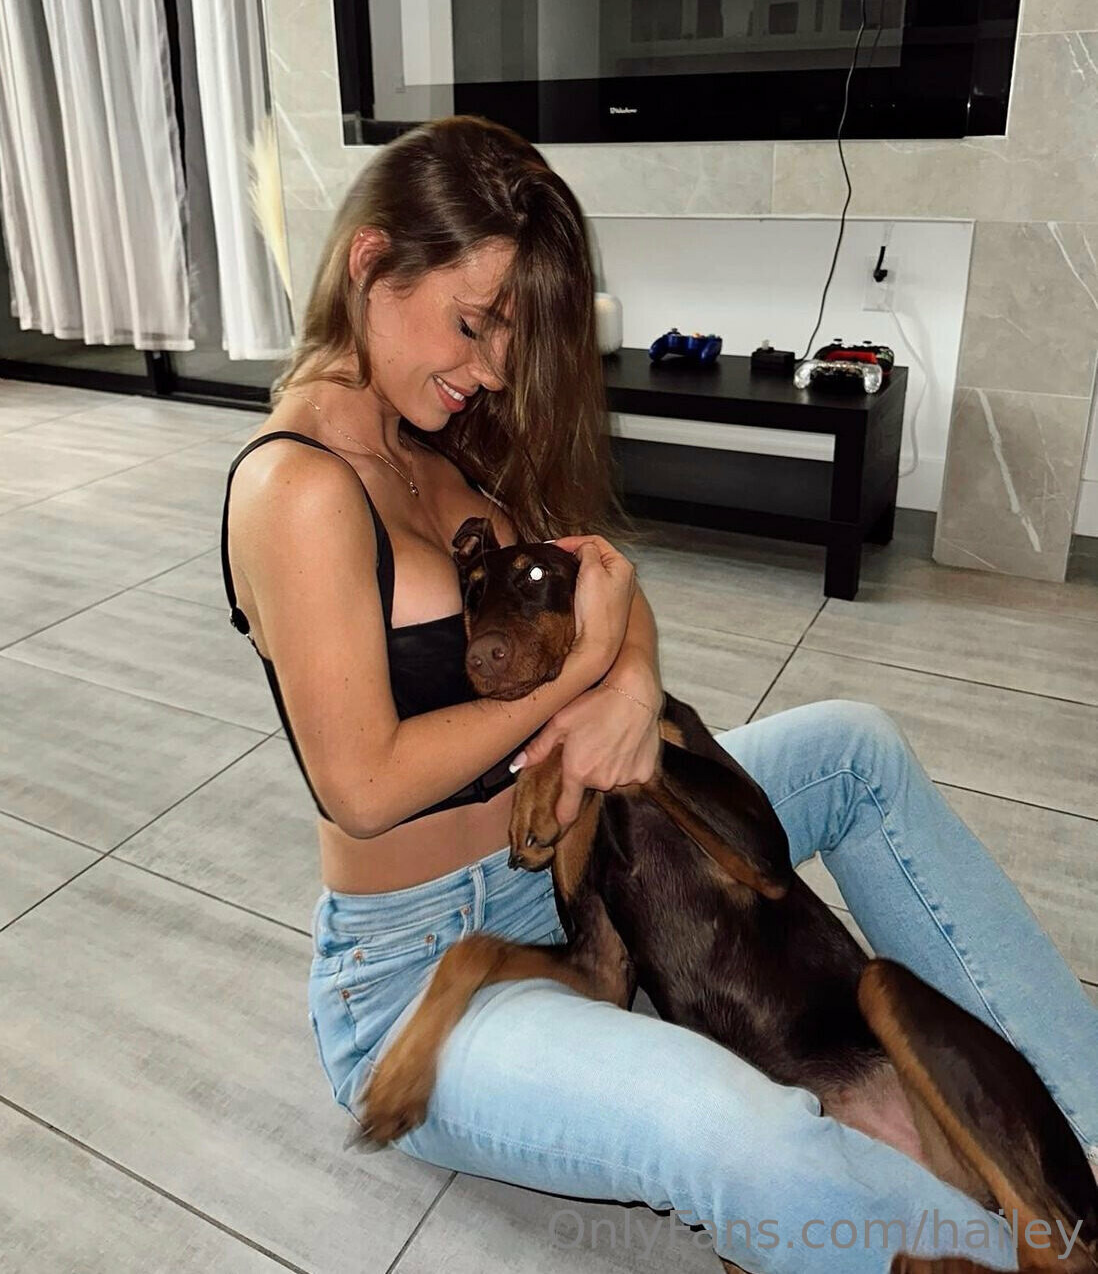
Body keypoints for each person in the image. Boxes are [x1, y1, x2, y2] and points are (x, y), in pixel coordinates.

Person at [221, 115, 1098, 1274]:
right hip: (425, 966)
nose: (491, 368)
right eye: (474, 322)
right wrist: (583, 677)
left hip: (580, 856)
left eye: (510, 335)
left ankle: (1086, 1145)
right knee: (751, 1143)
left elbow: (606, 583)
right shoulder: (296, 489)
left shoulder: (440, 438)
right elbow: (363, 783)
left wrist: (628, 681)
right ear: (371, 260)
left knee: (855, 745)